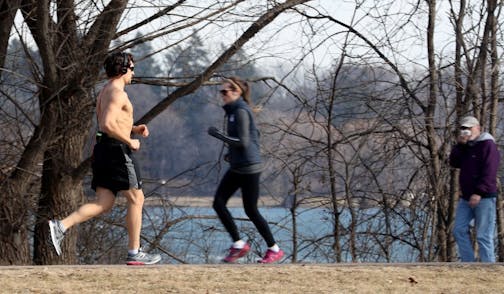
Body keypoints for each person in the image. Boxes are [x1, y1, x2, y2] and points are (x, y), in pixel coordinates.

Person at [48, 52, 161, 265]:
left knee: (104, 202)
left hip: (103, 150)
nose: (133, 73)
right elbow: (107, 125)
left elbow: (113, 122)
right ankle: (135, 253)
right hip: (117, 151)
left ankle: (61, 226)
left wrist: (135, 128)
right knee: (137, 199)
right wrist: (130, 142)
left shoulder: (106, 91)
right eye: (132, 68)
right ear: (123, 69)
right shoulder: (118, 93)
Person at [208, 76, 284, 264]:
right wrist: (231, 154)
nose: (222, 95)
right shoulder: (234, 112)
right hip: (240, 165)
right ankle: (240, 244)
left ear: (237, 92)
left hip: (248, 168)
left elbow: (243, 141)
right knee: (221, 203)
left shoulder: (240, 111)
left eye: (225, 91)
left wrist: (219, 135)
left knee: (249, 209)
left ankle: (272, 249)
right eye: (221, 91)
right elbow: (253, 135)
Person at [450, 115, 500, 262]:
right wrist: (460, 146)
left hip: (484, 197)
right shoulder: (466, 147)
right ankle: (468, 263)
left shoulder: (488, 145)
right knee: (459, 230)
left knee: (483, 235)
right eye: (463, 129)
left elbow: (490, 171)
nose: (466, 131)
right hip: (466, 197)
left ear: (477, 128)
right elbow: (454, 163)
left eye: (468, 128)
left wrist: (479, 192)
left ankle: (488, 267)